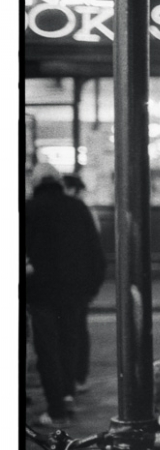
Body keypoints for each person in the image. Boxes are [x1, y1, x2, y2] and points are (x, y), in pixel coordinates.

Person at [25, 163, 107, 426]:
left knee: (47, 349)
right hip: (75, 291)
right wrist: (92, 287)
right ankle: (69, 394)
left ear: (35, 183)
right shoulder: (77, 207)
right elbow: (96, 252)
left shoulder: (29, 209)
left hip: (41, 291)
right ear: (59, 181)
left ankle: (57, 410)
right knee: (69, 344)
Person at [59, 173, 103, 393]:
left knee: (74, 329)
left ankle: (77, 375)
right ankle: (77, 375)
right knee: (77, 328)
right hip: (82, 280)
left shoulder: (78, 209)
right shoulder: (81, 209)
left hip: (76, 280)